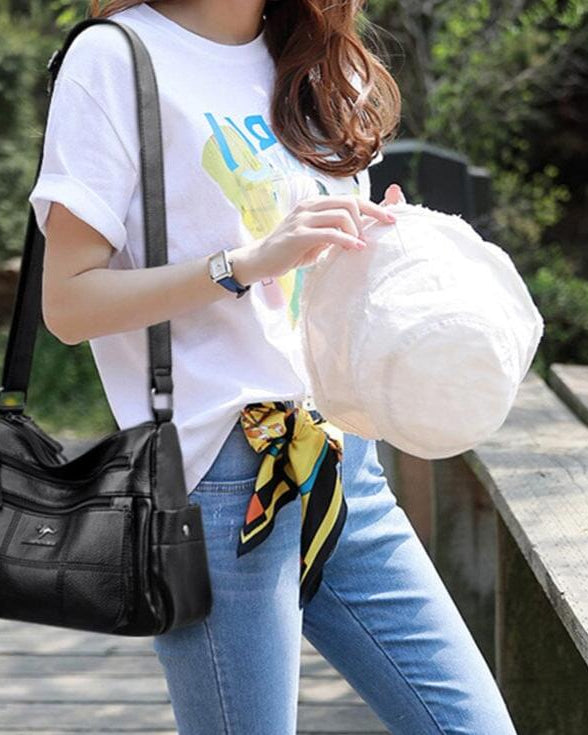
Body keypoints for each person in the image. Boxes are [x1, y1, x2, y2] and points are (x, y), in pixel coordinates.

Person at [28, 1, 519, 733]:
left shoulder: (315, 57)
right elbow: (67, 304)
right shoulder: (117, 58)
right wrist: (242, 263)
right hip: (220, 483)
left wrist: (379, 243)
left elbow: (305, 280)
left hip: (343, 457)